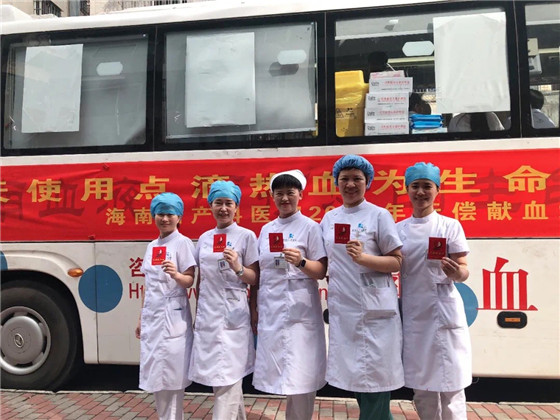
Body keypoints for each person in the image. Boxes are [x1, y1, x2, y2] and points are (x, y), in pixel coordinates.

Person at [320, 155, 404, 420]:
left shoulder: (379, 215)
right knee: (357, 376)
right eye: (344, 179)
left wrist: (363, 259)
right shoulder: (329, 218)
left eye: (357, 178)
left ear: (367, 182)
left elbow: (397, 261)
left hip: (375, 311)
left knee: (375, 378)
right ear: (336, 182)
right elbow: (324, 261)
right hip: (344, 309)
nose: (350, 184)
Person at [396, 162, 471, 420]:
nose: (421, 192)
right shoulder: (399, 229)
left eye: (427, 186)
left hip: (443, 310)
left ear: (437, 190)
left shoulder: (449, 226)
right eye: (415, 186)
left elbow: (464, 270)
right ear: (407, 190)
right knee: (422, 388)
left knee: (452, 385)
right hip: (414, 316)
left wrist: (456, 273)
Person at [251, 170, 328, 420]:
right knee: (281, 376)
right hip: (272, 311)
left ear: (300, 195)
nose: (285, 198)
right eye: (279, 193)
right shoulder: (266, 230)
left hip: (301, 314)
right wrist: (254, 308)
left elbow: (321, 270)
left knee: (301, 377)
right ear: (273, 197)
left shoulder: (310, 227)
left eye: (290, 193)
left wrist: (301, 261)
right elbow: (259, 273)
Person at [188, 180, 259, 420]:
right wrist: (198, 313)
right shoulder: (205, 238)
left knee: (228, 375)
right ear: (210, 206)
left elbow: (255, 277)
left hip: (234, 313)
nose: (224, 208)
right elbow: (201, 279)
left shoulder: (246, 236)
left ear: (236, 207)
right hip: (208, 314)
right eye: (218, 203)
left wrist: (238, 267)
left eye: (229, 203)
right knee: (219, 376)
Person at [135, 192, 196, 420]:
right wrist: (141, 317)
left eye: (170, 214)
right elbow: (148, 284)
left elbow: (189, 280)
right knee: (155, 377)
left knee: (172, 377)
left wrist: (176, 275)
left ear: (179, 217)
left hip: (173, 316)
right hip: (153, 316)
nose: (165, 219)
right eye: (160, 214)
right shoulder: (152, 246)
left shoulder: (183, 243)